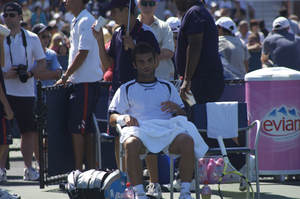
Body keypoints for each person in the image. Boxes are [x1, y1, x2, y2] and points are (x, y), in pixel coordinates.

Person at [108, 42, 208, 199]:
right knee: (130, 143)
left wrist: (177, 108)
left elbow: (183, 116)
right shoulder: (126, 88)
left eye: (149, 60)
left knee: (188, 140)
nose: (146, 65)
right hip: (139, 132)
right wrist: (124, 117)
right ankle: (140, 193)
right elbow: (112, 119)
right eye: (141, 62)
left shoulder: (168, 87)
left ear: (156, 62)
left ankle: (185, 192)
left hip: (167, 131)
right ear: (135, 65)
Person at [92, 0, 160, 172]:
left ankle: (154, 183)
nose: (111, 15)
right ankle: (123, 180)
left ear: (126, 10)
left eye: (114, 11)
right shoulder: (116, 34)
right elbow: (108, 63)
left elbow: (156, 62)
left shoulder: (146, 32)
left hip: (142, 93)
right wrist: (100, 40)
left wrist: (134, 47)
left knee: (147, 137)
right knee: (118, 138)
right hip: (119, 93)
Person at [55, 0, 103, 171]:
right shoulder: (80, 20)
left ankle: (78, 173)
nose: (64, 1)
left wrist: (65, 76)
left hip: (85, 85)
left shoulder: (85, 20)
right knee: (86, 130)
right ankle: (87, 172)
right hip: (83, 84)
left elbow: (83, 54)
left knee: (79, 130)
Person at [2, 2, 46, 181]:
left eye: (12, 14)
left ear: (21, 17)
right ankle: (1, 170)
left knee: (28, 132)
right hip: (4, 92)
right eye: (5, 15)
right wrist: (4, 75)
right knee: (3, 133)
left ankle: (29, 169)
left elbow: (42, 62)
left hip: (27, 93)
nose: (8, 18)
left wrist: (29, 73)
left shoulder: (33, 38)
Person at [137, 0, 175, 196]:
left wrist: (147, 52)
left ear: (157, 4)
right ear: (137, 4)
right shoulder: (130, 25)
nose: (148, 5)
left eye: (151, 2)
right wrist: (157, 49)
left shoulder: (164, 26)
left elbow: (171, 51)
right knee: (144, 135)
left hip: (163, 88)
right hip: (140, 89)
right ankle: (149, 183)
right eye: (144, 2)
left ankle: (171, 182)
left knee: (170, 136)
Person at [175, 0, 225, 106]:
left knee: (198, 120)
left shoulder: (195, 12)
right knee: (197, 119)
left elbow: (195, 46)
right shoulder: (197, 11)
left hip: (202, 81)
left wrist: (187, 80)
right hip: (202, 80)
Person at [31, 23, 62, 168]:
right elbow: (35, 74)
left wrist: (42, 74)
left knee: (50, 132)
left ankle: (45, 159)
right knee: (36, 132)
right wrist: (52, 74)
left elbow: (59, 73)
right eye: (43, 36)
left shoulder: (52, 54)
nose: (47, 39)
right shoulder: (30, 54)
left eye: (48, 36)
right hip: (35, 99)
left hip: (50, 98)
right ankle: (39, 163)